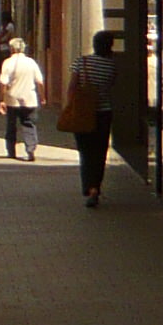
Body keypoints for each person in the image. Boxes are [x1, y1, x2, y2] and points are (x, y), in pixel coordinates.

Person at [65, 29, 121, 206]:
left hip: (82, 113)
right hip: (103, 113)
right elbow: (111, 86)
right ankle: (96, 186)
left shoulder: (81, 62)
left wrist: (71, 107)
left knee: (85, 152)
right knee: (100, 152)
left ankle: (89, 187)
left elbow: (72, 87)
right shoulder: (111, 66)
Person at [0, 34, 44, 161]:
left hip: (12, 100)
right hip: (29, 99)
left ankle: (11, 151)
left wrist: (2, 100)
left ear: (12, 49)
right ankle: (30, 149)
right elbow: (40, 81)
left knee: (11, 125)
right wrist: (42, 96)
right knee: (29, 124)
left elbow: (3, 83)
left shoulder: (8, 63)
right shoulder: (31, 62)